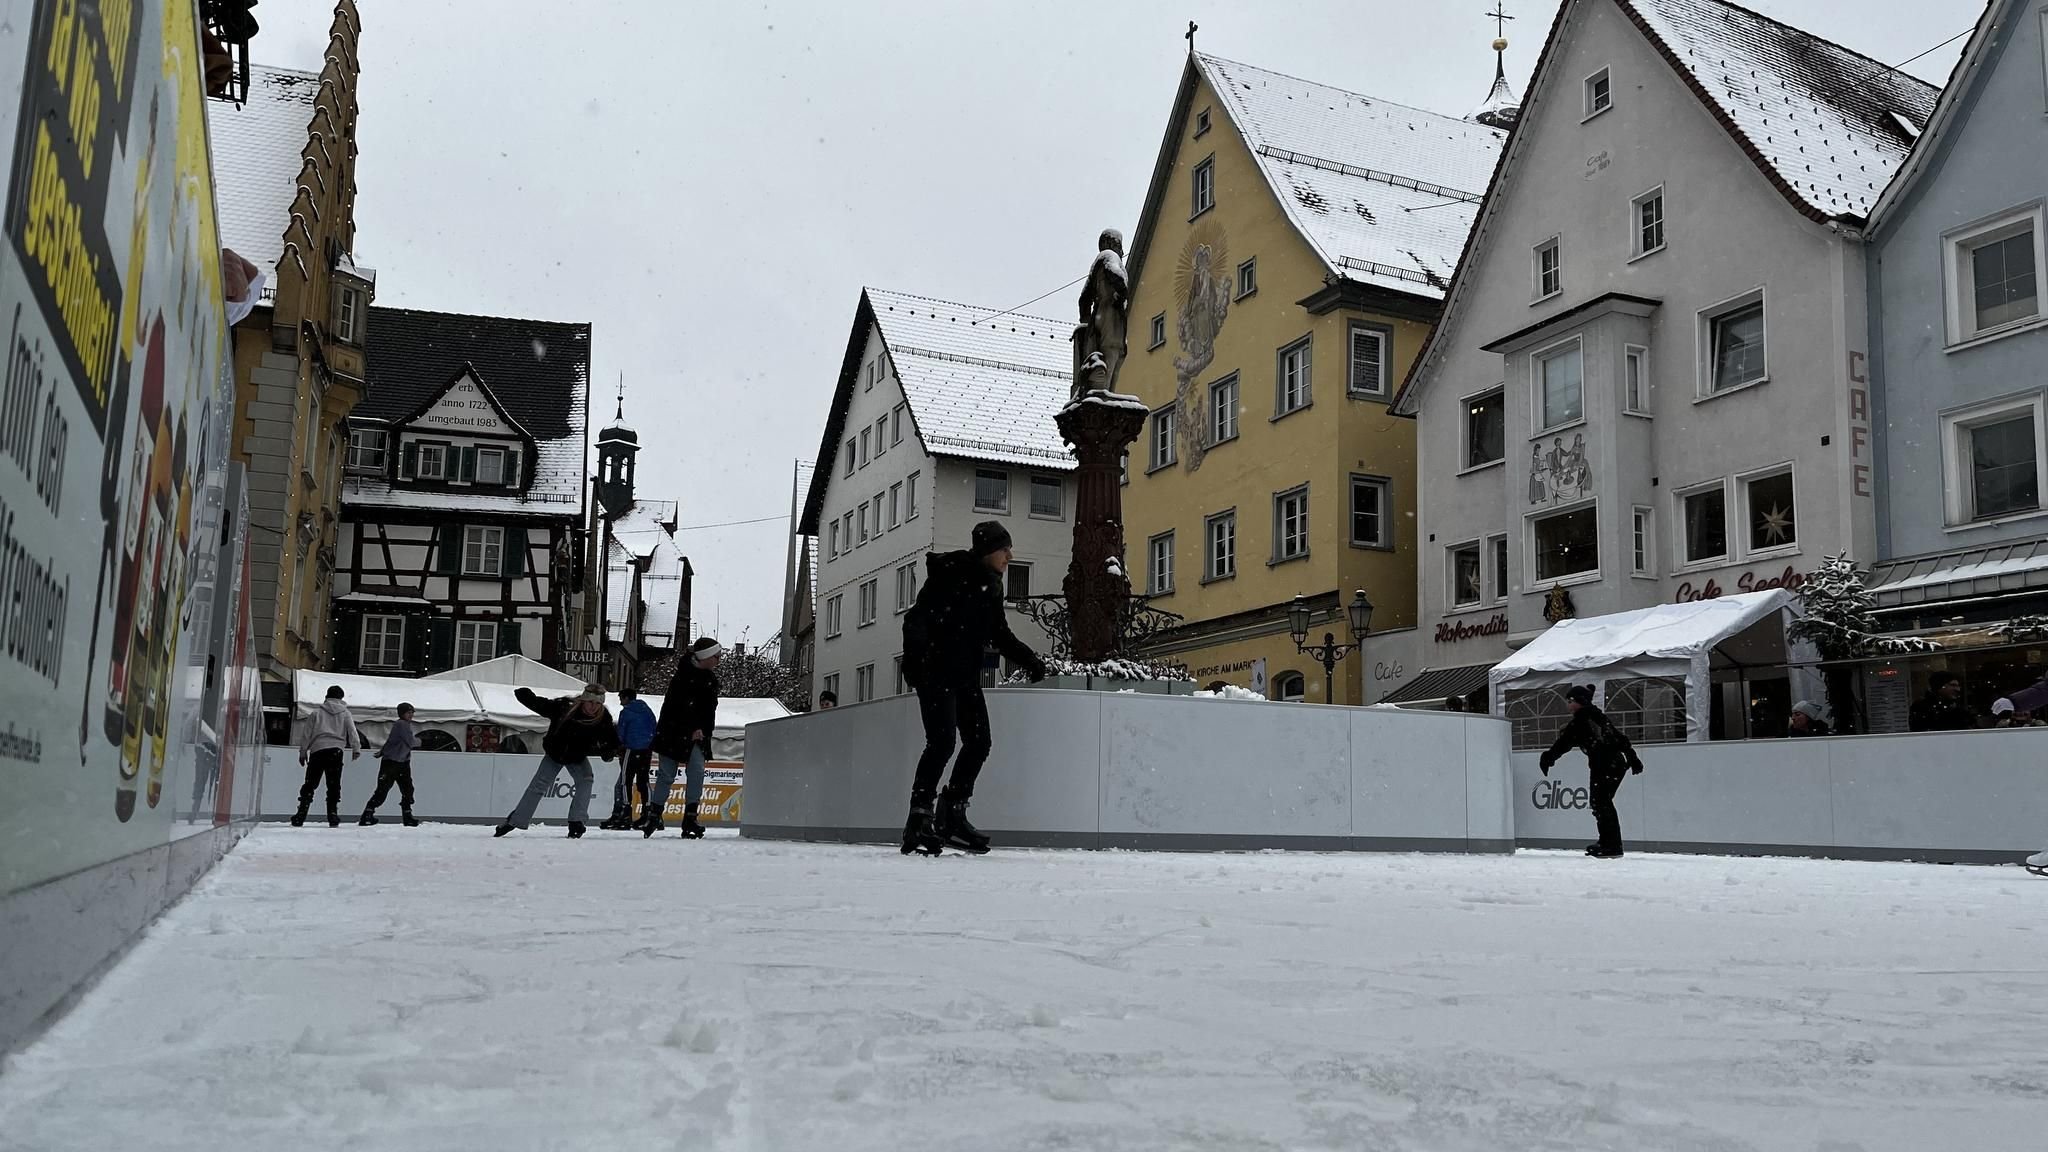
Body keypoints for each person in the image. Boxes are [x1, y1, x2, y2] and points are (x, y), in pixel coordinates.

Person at [899, 521, 1048, 856]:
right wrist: (916, 665)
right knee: (941, 742)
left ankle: (952, 813)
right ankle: (919, 818)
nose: (1010, 555)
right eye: (1004, 549)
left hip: (964, 676)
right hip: (935, 673)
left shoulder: (990, 586)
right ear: (986, 551)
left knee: (979, 742)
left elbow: (1000, 634)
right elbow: (915, 621)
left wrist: (1031, 662)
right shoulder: (949, 575)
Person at [494, 684, 621, 839]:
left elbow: (610, 738)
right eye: (590, 702)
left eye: (598, 704)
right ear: (583, 700)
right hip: (555, 753)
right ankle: (515, 820)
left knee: (586, 780)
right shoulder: (564, 707)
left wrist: (609, 752)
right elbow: (542, 705)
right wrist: (525, 696)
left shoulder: (602, 717)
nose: (593, 707)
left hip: (577, 756)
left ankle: (577, 821)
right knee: (538, 786)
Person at [1537, 685, 1644, 859]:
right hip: (1613, 764)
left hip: (1606, 764)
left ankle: (1612, 845)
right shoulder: (1596, 716)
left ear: (1579, 701)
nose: (1568, 705)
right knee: (1601, 802)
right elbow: (1619, 738)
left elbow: (1565, 741)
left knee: (1601, 802)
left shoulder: (1582, 719)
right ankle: (1607, 842)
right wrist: (1632, 758)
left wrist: (1548, 757)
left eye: (1570, 701)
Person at [646, 637, 723, 839]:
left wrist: (704, 730)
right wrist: (692, 727)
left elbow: (709, 710)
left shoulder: (710, 679)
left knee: (697, 772)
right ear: (705, 657)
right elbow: (677, 707)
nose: (718, 660)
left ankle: (690, 816)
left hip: (697, 734)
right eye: (716, 656)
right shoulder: (682, 677)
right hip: (673, 732)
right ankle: (654, 813)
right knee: (666, 774)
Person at [294, 685, 363, 827]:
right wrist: (356, 748)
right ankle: (332, 815)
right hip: (336, 751)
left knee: (310, 783)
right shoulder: (345, 713)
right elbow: (352, 732)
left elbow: (306, 734)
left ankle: (301, 814)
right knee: (333, 784)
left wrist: (303, 752)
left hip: (318, 750)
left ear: (326, 696)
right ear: (341, 697)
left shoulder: (316, 713)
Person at [601, 687, 658, 830]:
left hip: (631, 749)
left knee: (626, 782)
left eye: (621, 698)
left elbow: (621, 732)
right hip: (646, 750)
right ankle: (648, 811)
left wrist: (619, 746)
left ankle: (626, 813)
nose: (620, 702)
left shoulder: (626, 712)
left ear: (626, 698)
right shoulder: (647, 710)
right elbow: (654, 728)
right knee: (643, 781)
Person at [358, 702, 422, 826]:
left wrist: (382, 752)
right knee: (393, 789)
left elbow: (391, 741)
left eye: (412, 713)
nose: (411, 715)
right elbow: (410, 741)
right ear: (402, 713)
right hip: (394, 762)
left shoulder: (402, 725)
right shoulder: (401, 724)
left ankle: (369, 813)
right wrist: (421, 741)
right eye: (409, 713)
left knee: (401, 789)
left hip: (400, 761)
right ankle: (405, 815)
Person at [1908, 673, 1975, 731]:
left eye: (1958, 686)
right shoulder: (1921, 707)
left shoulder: (1958, 708)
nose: (1958, 689)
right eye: (1952, 685)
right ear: (1939, 686)